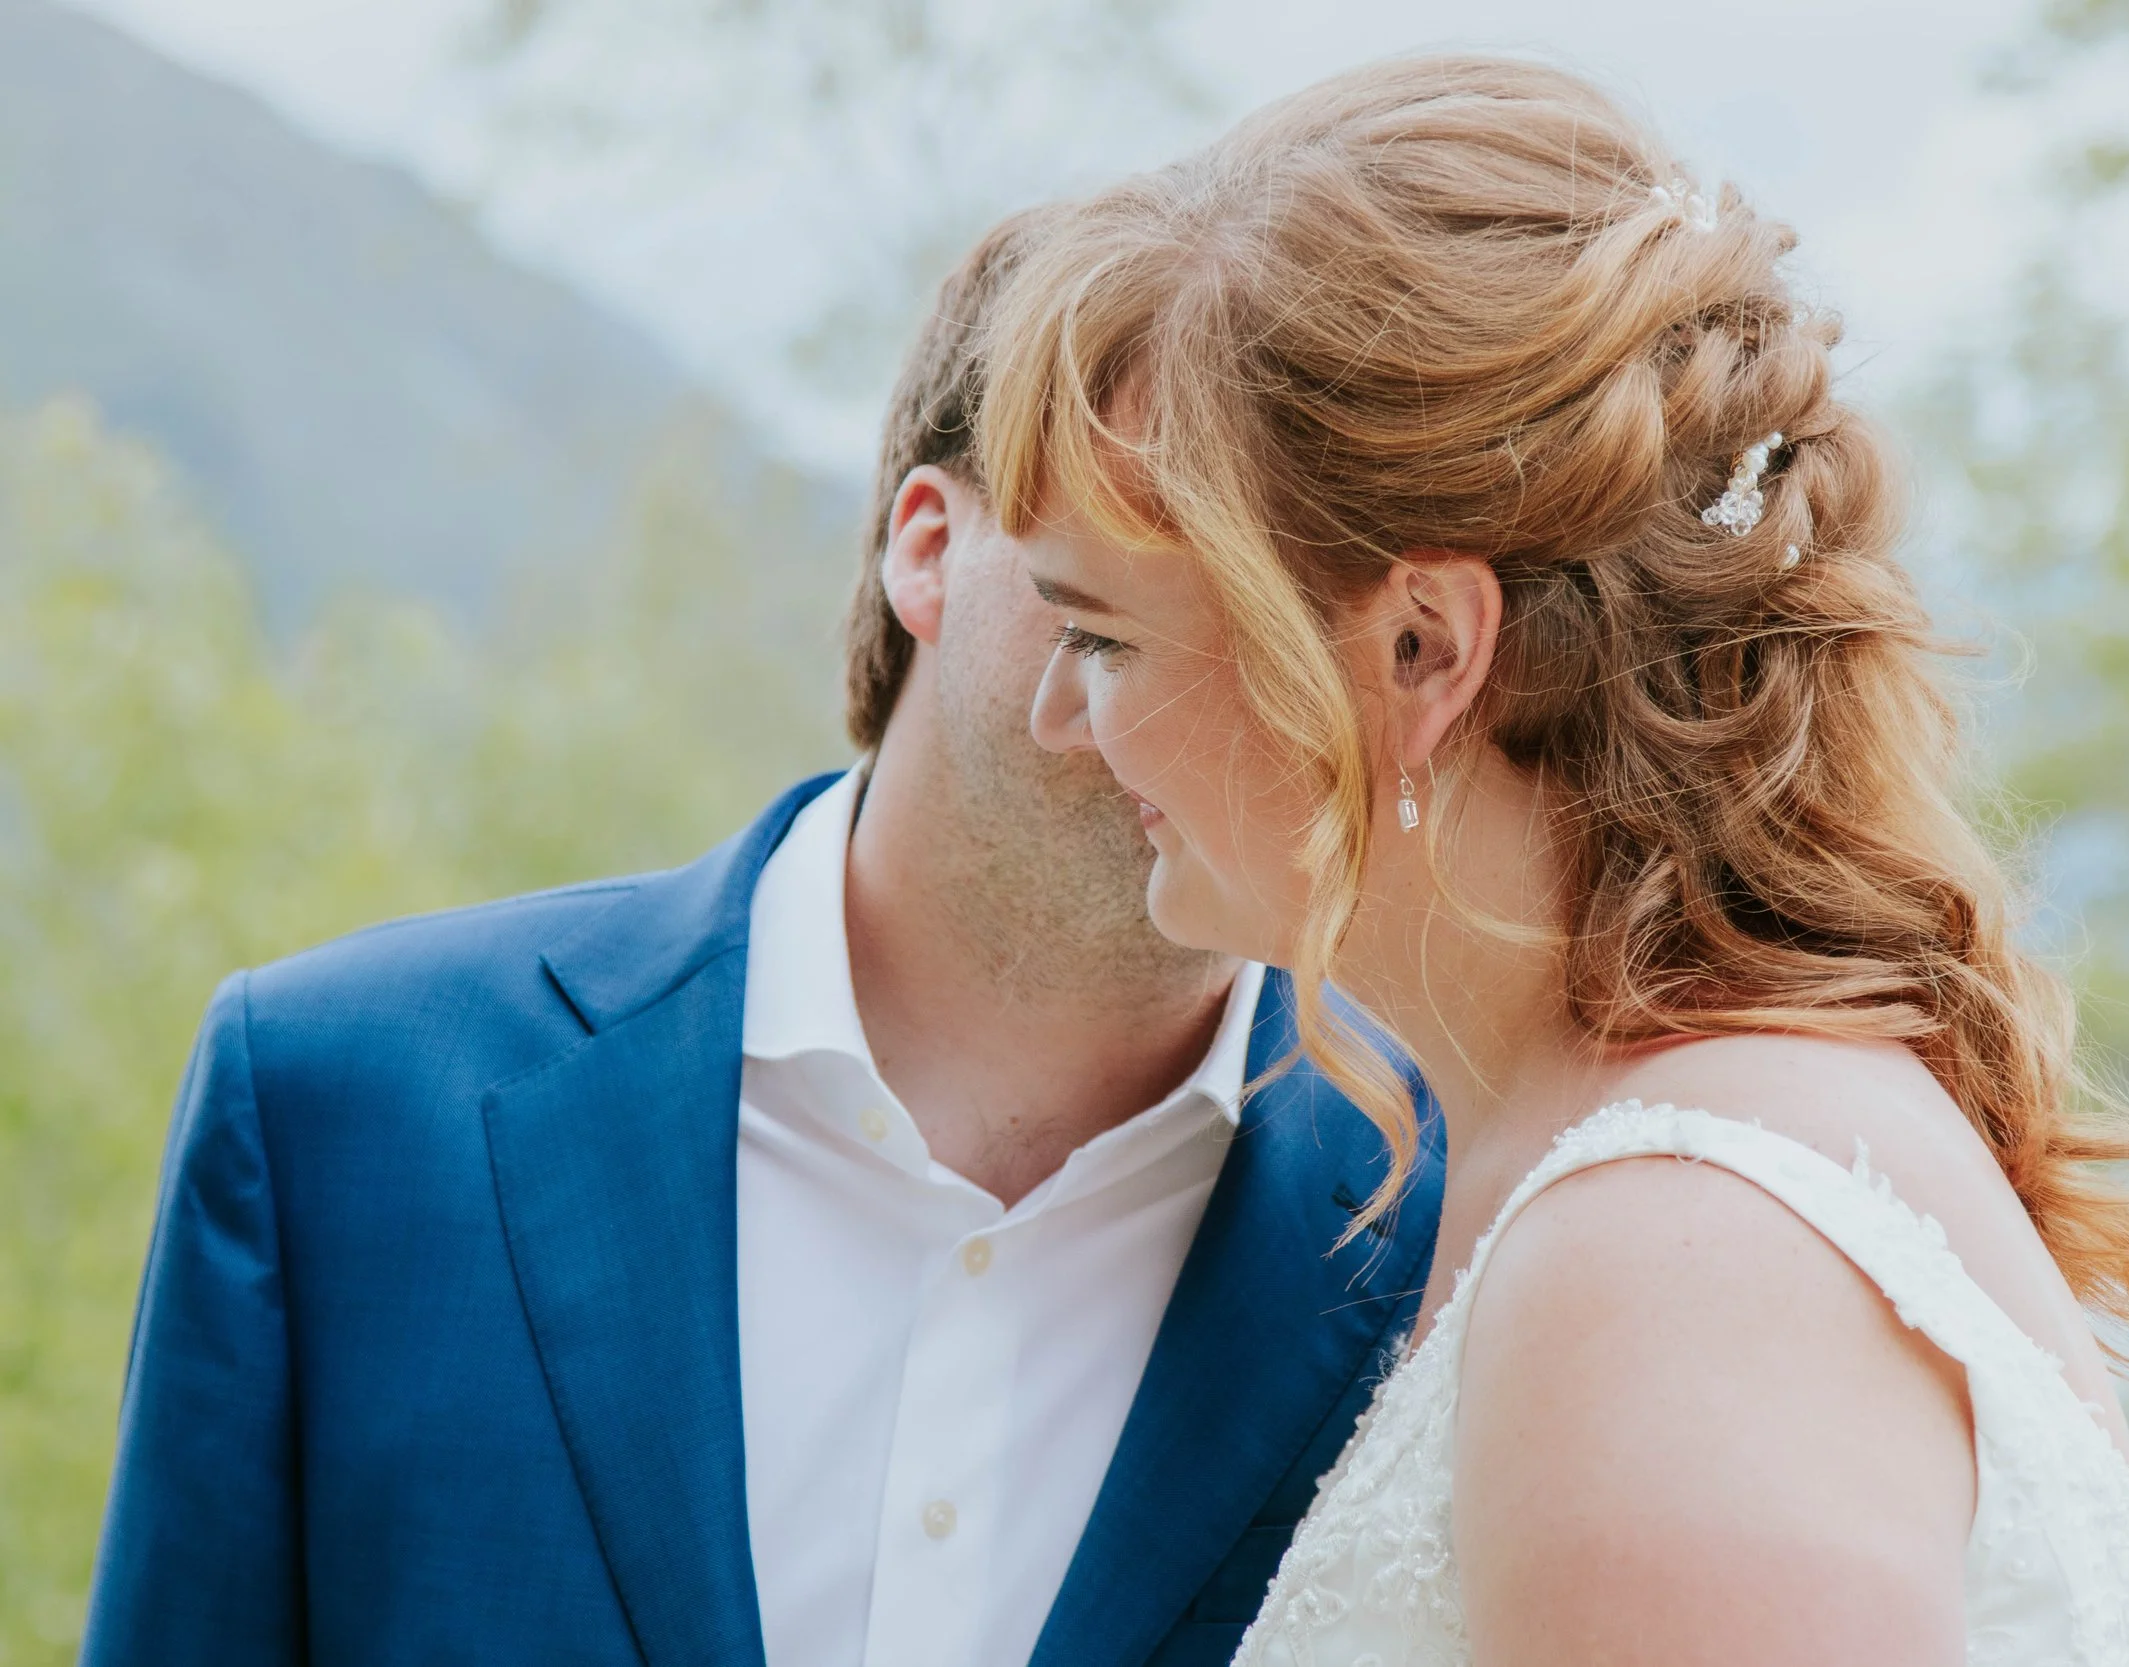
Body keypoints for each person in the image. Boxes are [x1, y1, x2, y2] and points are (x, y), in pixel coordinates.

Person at [80, 211, 1440, 1667]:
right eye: (1135, 583)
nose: (1219, 693)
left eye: (1282, 619)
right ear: (930, 550)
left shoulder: (1447, 1216)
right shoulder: (335, 1104)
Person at [990, 57, 2129, 1666]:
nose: (1059, 717)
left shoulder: (1675, 1258)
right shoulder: (1634, 1165)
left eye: (1104, 634)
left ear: (1422, 647)